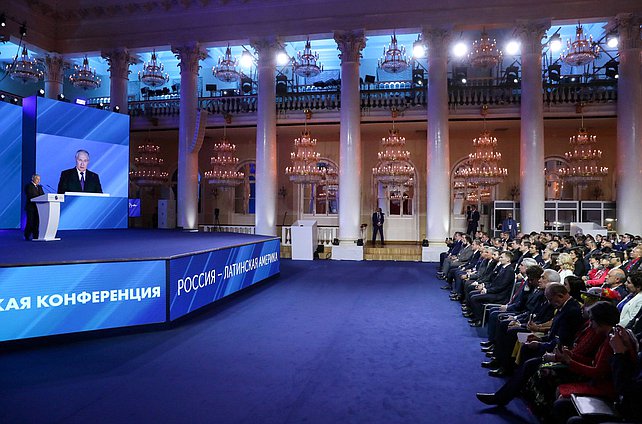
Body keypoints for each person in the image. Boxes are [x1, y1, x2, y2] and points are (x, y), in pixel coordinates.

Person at [24, 173, 44, 241]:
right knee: (30, 222)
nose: (38, 180)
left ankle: (36, 236)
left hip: (38, 208)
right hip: (31, 207)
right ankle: (27, 235)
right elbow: (30, 195)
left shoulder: (40, 187)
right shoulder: (28, 186)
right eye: (37, 179)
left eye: (39, 179)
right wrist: (38, 198)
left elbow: (43, 196)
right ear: (33, 179)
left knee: (37, 222)